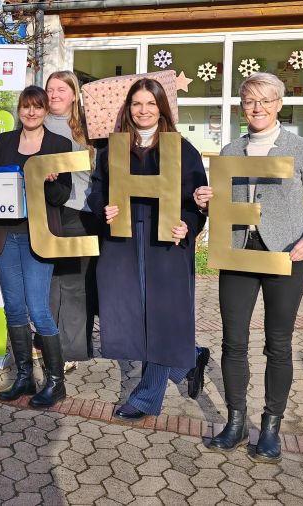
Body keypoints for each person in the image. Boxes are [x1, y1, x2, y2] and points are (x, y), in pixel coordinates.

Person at [194, 72, 303, 462]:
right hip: (238, 253)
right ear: (242, 105)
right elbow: (226, 203)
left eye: (266, 100)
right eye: (250, 100)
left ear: (279, 105)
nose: (258, 108)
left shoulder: (302, 149)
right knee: (233, 341)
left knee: (278, 344)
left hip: (284, 255)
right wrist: (207, 199)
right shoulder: (231, 148)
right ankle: (236, 423)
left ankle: (270, 426)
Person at [86, 78, 210, 421]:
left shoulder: (183, 149)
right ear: (128, 108)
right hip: (123, 239)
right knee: (130, 312)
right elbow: (98, 190)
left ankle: (146, 398)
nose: (143, 111)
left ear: (162, 108)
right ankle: (189, 359)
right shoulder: (114, 148)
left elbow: (197, 199)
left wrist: (190, 223)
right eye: (137, 104)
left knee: (161, 316)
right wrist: (102, 208)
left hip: (166, 240)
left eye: (150, 104)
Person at [0, 86, 73, 408]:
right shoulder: (4, 141)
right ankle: (25, 376)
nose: (31, 113)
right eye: (26, 107)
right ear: (19, 110)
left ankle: (56, 383)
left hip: (38, 237)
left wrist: (54, 181)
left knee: (38, 308)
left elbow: (62, 197)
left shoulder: (59, 145)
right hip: (6, 236)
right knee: (13, 307)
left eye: (37, 107)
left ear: (46, 110)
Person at [43, 70, 102, 373]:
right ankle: (50, 345)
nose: (54, 95)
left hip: (81, 213)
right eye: (50, 89)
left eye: (61, 90)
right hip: (45, 214)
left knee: (77, 285)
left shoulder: (88, 128)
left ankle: (74, 348)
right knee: (50, 283)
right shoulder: (34, 124)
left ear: (74, 94)